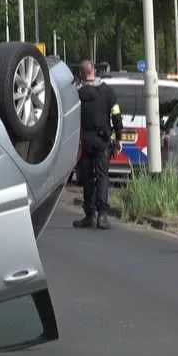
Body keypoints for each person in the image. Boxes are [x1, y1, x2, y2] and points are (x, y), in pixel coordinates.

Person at [73, 59, 120, 230]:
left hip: (84, 140)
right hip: (102, 139)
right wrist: (119, 137)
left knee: (87, 177)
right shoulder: (107, 91)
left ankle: (89, 215)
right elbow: (116, 114)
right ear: (94, 70)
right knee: (102, 176)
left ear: (81, 74)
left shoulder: (76, 94)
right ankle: (102, 216)